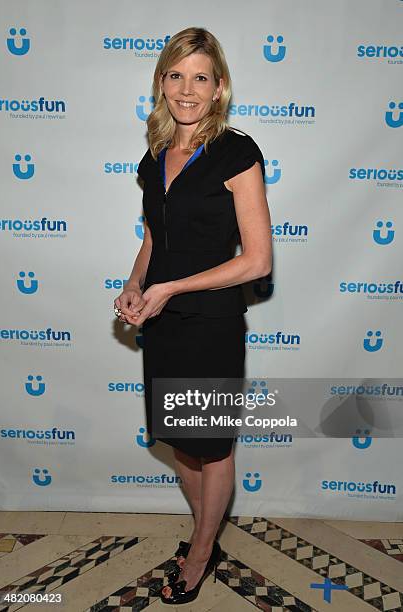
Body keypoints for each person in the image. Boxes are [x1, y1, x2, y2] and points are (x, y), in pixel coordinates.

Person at [114, 27, 272, 605]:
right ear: (161, 83)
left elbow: (257, 259)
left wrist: (172, 288)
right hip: (163, 324)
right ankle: (207, 532)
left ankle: (202, 551)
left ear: (219, 86)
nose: (187, 89)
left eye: (200, 77)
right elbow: (155, 237)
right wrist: (135, 283)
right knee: (182, 443)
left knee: (215, 447)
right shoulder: (153, 156)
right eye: (176, 75)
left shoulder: (237, 152)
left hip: (210, 323)